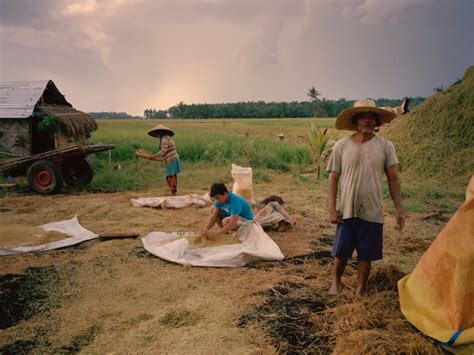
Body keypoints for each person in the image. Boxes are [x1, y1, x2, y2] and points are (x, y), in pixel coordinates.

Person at [326, 99, 405, 296]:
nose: (367, 121)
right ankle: (335, 283)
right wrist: (331, 207)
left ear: (377, 122)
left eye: (372, 117)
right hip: (346, 208)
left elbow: (393, 179)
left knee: (366, 253)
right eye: (363, 117)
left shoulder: (386, 147)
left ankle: (361, 289)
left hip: (372, 208)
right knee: (341, 251)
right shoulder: (342, 146)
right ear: (355, 121)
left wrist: (399, 210)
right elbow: (333, 178)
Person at [147, 124, 181, 195]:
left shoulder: (164, 139)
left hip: (171, 159)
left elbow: (163, 151)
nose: (157, 135)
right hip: (173, 158)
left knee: (169, 176)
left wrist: (154, 156)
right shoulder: (167, 137)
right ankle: (173, 191)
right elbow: (165, 151)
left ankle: (173, 192)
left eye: (157, 134)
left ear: (160, 133)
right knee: (172, 175)